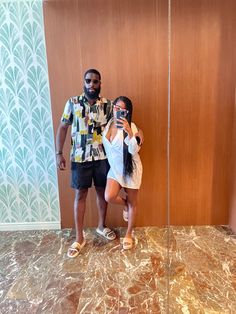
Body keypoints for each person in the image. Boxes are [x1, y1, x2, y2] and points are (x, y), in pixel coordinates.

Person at [56, 69, 143, 258]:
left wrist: (137, 134)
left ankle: (101, 226)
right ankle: (79, 238)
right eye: (88, 81)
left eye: (95, 82)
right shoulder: (72, 103)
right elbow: (63, 127)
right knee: (80, 195)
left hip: (102, 158)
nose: (91, 85)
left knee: (103, 194)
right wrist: (58, 153)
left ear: (100, 84)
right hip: (79, 158)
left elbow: (125, 119)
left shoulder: (108, 105)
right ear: (84, 82)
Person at [102, 96, 143, 250]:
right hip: (115, 170)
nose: (117, 111)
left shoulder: (131, 126)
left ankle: (128, 234)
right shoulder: (109, 124)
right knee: (109, 196)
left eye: (121, 109)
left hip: (131, 169)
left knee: (134, 202)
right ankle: (126, 207)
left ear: (127, 112)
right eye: (115, 107)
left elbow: (134, 150)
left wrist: (130, 132)